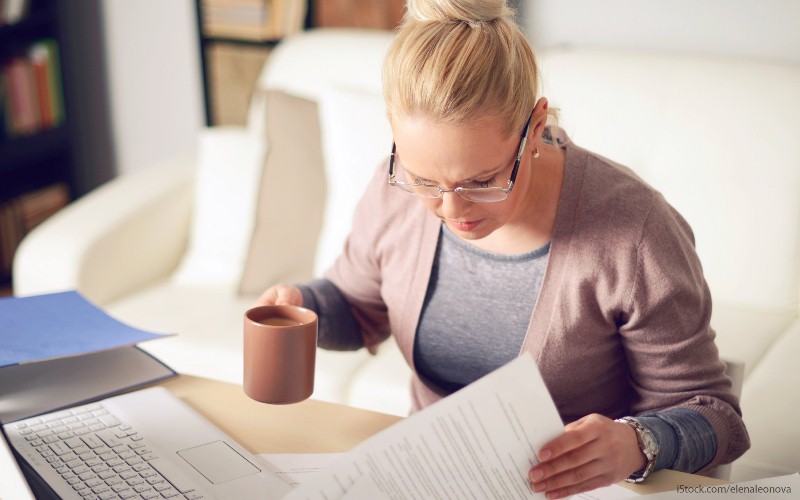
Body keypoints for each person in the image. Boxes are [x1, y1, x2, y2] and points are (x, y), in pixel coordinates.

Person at [255, 0, 750, 497]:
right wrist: (303, 307)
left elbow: (716, 417)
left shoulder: (635, 233)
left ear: (534, 127)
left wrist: (636, 443)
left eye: (482, 180)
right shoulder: (392, 192)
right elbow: (359, 305)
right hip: (423, 480)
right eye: (424, 179)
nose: (450, 209)